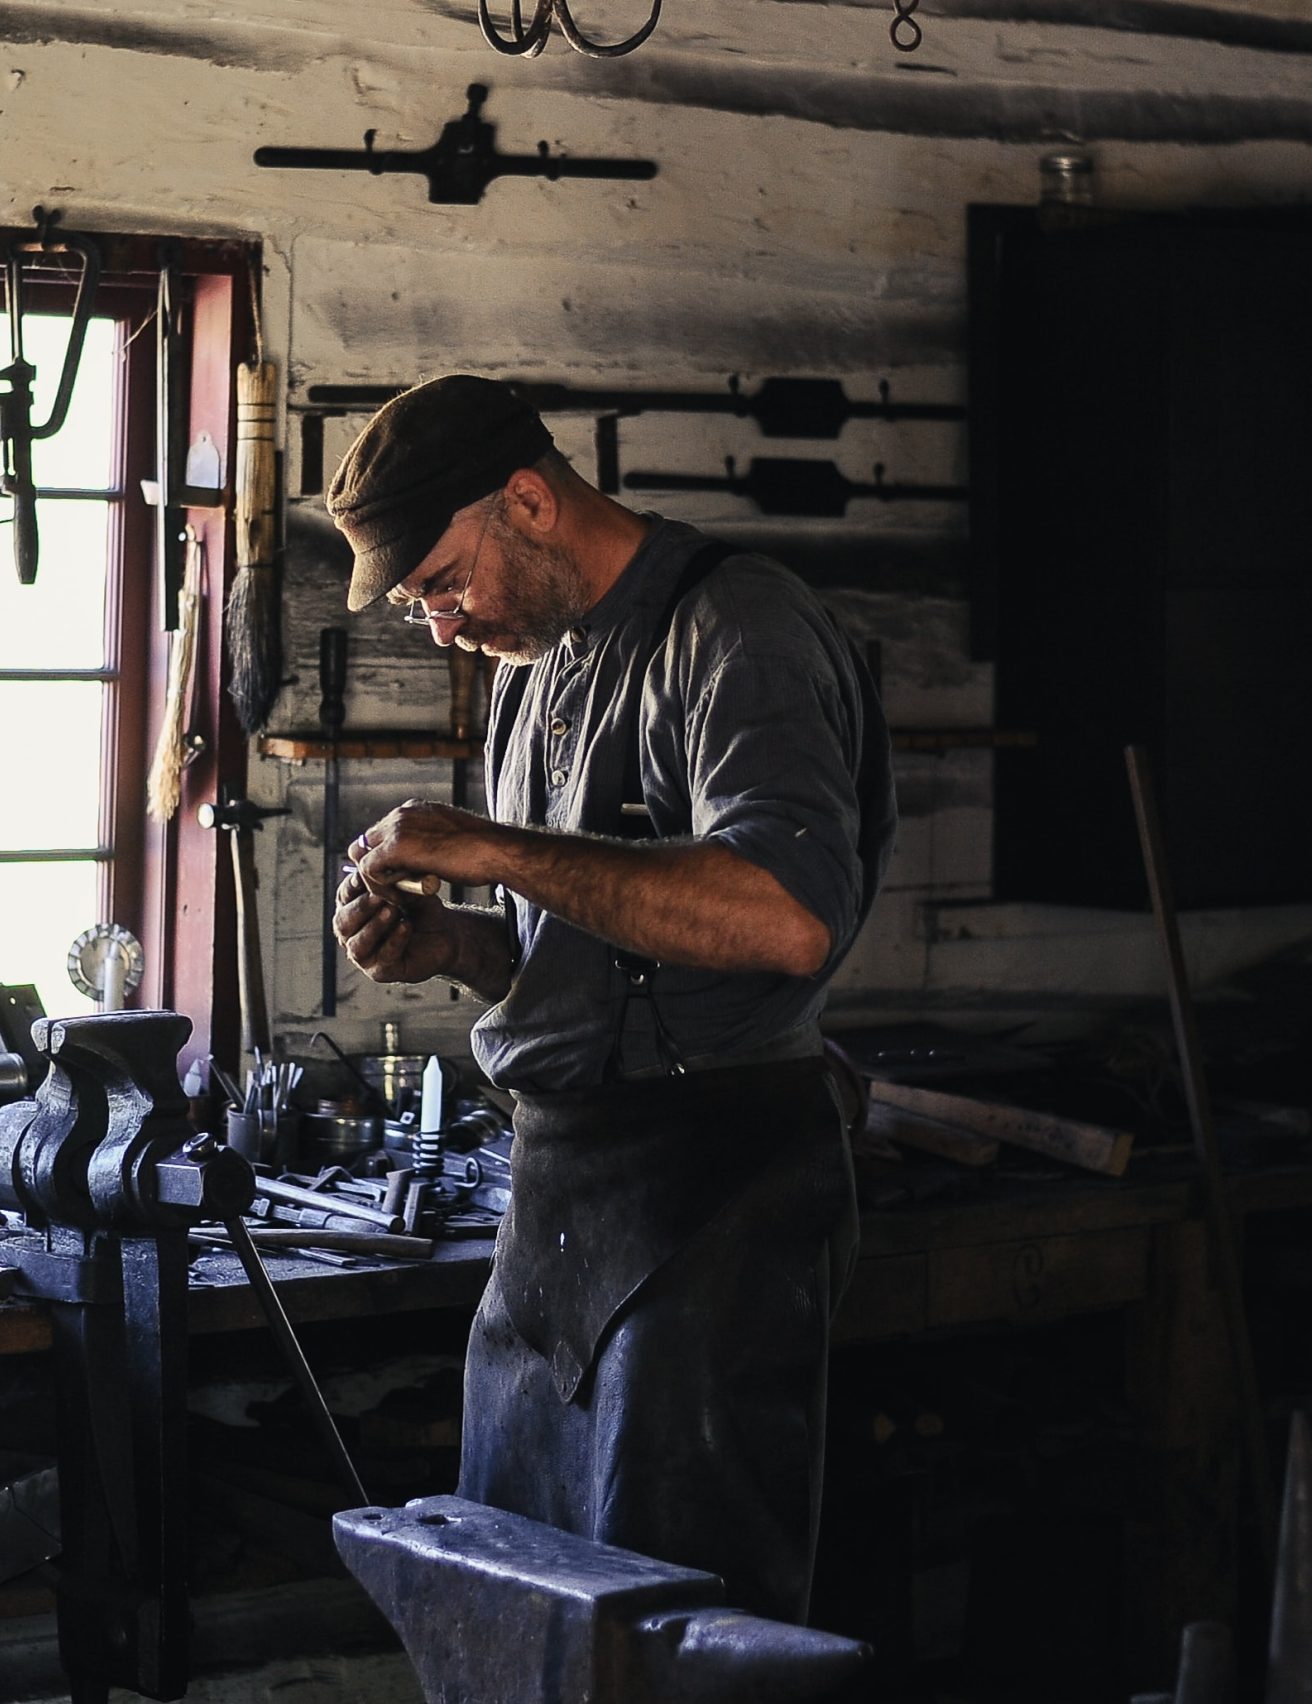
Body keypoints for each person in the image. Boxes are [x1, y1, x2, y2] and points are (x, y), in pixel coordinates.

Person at [324, 375, 896, 1622]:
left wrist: (500, 848)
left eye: (440, 583)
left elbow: (783, 917)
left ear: (527, 500)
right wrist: (457, 944)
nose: (437, 627)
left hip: (715, 1193)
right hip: (562, 1201)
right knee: (518, 1601)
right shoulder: (536, 671)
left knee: (672, 1627)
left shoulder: (734, 628)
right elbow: (591, 949)